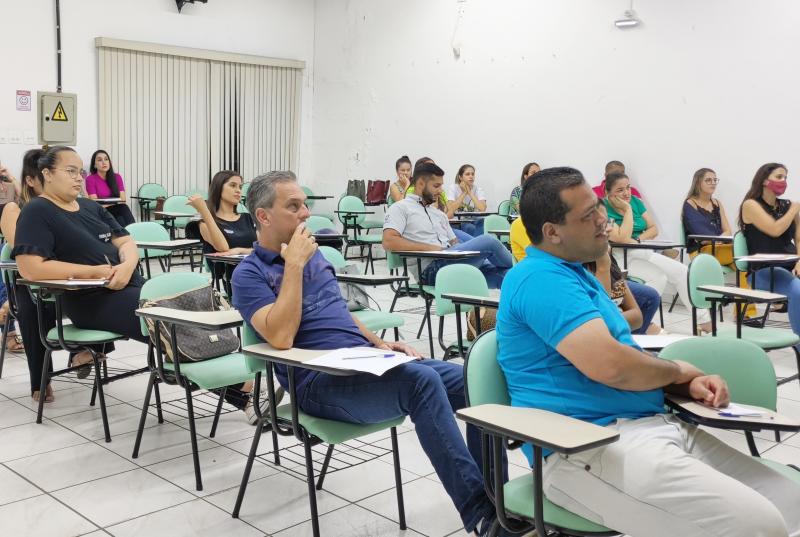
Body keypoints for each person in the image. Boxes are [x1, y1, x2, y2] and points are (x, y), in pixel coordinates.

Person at [497, 166, 800, 537]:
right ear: (551, 232)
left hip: (650, 425)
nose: (602, 219)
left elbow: (623, 352)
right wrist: (678, 372)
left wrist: (681, 385)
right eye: (588, 214)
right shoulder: (537, 278)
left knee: (792, 500)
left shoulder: (578, 275)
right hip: (583, 448)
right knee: (759, 527)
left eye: (599, 208)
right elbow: (611, 365)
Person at [231, 170, 504, 536]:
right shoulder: (248, 274)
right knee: (420, 383)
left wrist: (379, 343)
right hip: (317, 382)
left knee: (474, 381)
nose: (305, 214)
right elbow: (280, 337)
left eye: (305, 206)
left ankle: (500, 505)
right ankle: (482, 518)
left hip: (361, 362)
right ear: (263, 216)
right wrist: (293, 265)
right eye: (293, 206)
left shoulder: (314, 258)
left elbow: (339, 312)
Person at [11, 146, 148, 399]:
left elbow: (126, 242)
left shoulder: (90, 207)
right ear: (47, 174)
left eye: (81, 172)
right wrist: (92, 273)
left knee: (189, 309)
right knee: (170, 322)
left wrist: (127, 265)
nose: (78, 177)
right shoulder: (37, 211)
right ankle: (240, 392)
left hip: (130, 284)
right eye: (70, 171)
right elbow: (30, 268)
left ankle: (234, 381)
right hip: (92, 299)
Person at [510, 210, 661, 335]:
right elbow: (598, 327)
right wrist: (602, 268)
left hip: (605, 344)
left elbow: (635, 317)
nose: (608, 229)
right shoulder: (558, 272)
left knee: (650, 296)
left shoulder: (601, 257)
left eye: (605, 221)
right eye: (591, 219)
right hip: (582, 357)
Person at [605, 172, 711, 332]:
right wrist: (627, 210)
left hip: (640, 250)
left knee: (682, 271)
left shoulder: (636, 202)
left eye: (628, 188)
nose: (626, 193)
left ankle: (703, 321)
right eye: (620, 190)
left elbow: (653, 229)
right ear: (608, 193)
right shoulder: (604, 207)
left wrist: (638, 239)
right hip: (621, 257)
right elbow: (622, 238)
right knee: (660, 278)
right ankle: (646, 324)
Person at [383, 162, 513, 289]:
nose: (440, 191)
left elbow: (454, 242)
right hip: (431, 271)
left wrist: (477, 258)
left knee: (508, 276)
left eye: (441, 186)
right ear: (421, 183)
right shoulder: (400, 208)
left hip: (451, 260)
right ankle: (524, 266)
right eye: (436, 186)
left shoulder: (438, 214)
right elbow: (388, 241)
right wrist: (429, 248)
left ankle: (522, 279)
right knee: (488, 241)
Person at [683, 168, 755, 316]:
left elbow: (727, 230)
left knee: (744, 267)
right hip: (701, 252)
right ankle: (741, 310)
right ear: (698, 182)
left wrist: (718, 240)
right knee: (743, 257)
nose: (713, 183)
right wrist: (716, 239)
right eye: (708, 180)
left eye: (715, 180)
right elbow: (700, 236)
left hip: (721, 249)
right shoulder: (690, 204)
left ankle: (744, 313)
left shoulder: (717, 203)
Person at [739, 162, 800, 338]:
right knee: (797, 289)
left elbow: (798, 238)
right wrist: (794, 210)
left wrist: (799, 260)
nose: (784, 181)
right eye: (779, 177)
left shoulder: (787, 205)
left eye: (786, 178)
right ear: (764, 181)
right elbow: (775, 230)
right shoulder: (750, 205)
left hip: (790, 266)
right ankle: (798, 343)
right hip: (763, 270)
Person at [85, 149, 136, 227]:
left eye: (106, 159)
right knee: (122, 209)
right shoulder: (90, 179)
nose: (104, 162)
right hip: (101, 211)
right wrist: (114, 203)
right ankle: (134, 233)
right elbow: (95, 203)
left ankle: (131, 234)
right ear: (94, 165)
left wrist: (109, 203)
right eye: (99, 160)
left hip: (117, 210)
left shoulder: (117, 177)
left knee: (121, 218)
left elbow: (123, 200)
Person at [447, 164, 487, 236]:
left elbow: (482, 208)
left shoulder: (478, 189)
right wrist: (464, 193)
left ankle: (479, 244)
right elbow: (451, 209)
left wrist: (470, 193)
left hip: (473, 220)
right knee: (470, 228)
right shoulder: (454, 188)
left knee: (483, 222)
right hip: (459, 221)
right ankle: (476, 245)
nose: (471, 176)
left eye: (472, 174)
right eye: (467, 174)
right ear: (460, 177)